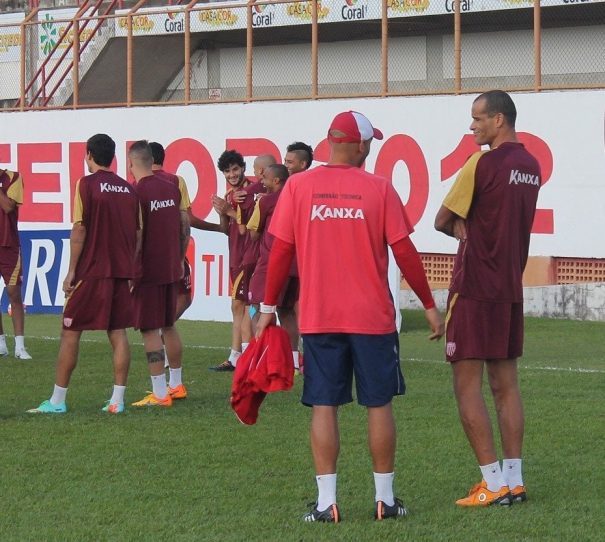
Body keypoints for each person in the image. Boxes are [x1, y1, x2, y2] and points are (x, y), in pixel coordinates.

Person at [256, 111, 444, 522]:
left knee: (325, 405)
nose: (371, 147)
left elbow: (280, 251)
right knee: (378, 405)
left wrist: (268, 307)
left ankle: (327, 504)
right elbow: (405, 252)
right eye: (370, 142)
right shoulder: (378, 188)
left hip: (320, 317)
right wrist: (430, 305)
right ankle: (385, 501)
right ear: (359, 145)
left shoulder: (299, 187)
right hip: (372, 319)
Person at [434, 90, 541, 507]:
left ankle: (491, 482)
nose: (472, 126)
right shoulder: (531, 165)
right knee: (507, 385)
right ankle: (514, 480)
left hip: (476, 284)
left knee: (466, 385)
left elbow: (442, 219)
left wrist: (458, 225)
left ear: (499, 119)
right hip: (510, 288)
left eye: (478, 118)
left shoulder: (481, 162)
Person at [28, 134, 139, 414]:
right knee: (118, 333)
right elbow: (138, 233)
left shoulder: (86, 184)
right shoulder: (128, 189)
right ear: (113, 158)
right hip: (120, 271)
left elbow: (80, 229)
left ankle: (57, 401)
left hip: (91, 270)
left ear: (89, 155)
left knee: (70, 331)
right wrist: (130, 266)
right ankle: (117, 401)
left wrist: (71, 271)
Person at [127, 141, 190, 408]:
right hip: (171, 266)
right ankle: (176, 384)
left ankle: (160, 393)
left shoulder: (136, 193)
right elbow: (184, 225)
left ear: (132, 165)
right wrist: (179, 257)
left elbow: (137, 237)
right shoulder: (171, 187)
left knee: (149, 329)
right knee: (169, 325)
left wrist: (132, 271)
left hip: (149, 270)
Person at [209, 152, 274, 372]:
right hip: (236, 255)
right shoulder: (230, 195)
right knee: (238, 306)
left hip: (250, 256)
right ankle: (237, 355)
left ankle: (246, 355)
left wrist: (229, 209)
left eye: (235, 169)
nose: (232, 174)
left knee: (247, 306)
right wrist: (222, 212)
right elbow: (226, 230)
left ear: (245, 168)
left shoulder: (255, 191)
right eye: (227, 171)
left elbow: (253, 225)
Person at [0, 166, 32, 360]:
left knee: (14, 293)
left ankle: (20, 346)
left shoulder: (13, 178)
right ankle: (1, 344)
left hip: (8, 245)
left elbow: (9, 207)